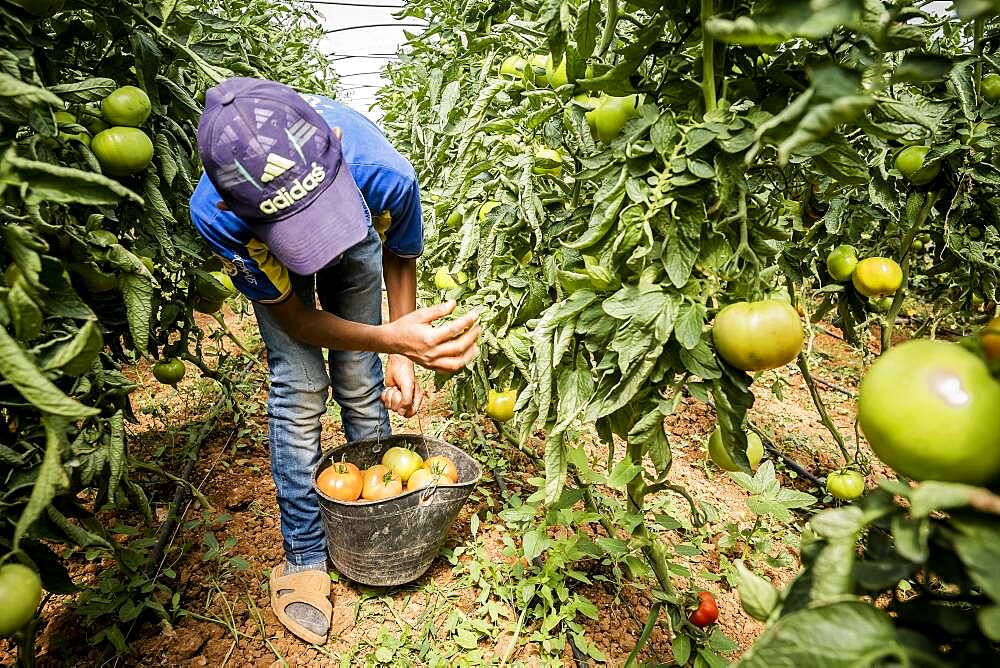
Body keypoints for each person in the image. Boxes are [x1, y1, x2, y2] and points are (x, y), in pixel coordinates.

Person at [189, 77, 480, 644]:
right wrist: (393, 338)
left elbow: (398, 253)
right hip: (265, 246)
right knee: (298, 387)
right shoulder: (220, 216)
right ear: (228, 202)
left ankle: (381, 506)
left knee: (358, 374)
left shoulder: (382, 174)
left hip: (356, 221)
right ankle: (304, 554)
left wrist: (400, 349)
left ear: (338, 142)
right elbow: (298, 321)